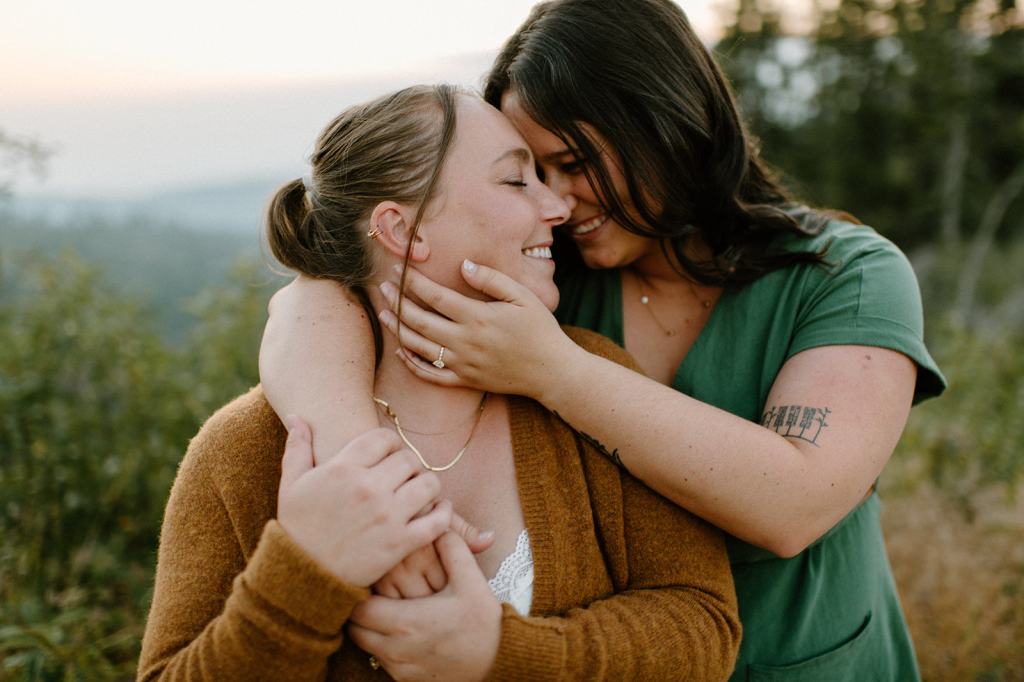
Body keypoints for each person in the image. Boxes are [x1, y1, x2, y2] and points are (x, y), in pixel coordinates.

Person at [258, 1, 948, 680]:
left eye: (575, 162)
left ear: (664, 122)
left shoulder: (846, 275)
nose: (555, 203)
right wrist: (376, 484)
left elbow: (795, 505)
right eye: (529, 172)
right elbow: (310, 305)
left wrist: (554, 371)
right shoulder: (553, 275)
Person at [138, 83, 741, 682]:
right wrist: (305, 573)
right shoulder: (246, 450)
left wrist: (504, 653)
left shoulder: (592, 382)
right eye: (516, 180)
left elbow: (704, 627)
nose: (558, 208)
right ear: (404, 232)